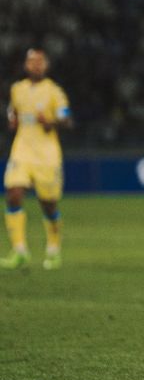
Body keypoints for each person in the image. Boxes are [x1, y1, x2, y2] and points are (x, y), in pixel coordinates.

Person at [1, 48, 72, 271]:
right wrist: (12, 122)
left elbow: (66, 119)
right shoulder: (17, 90)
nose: (36, 65)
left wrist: (51, 122)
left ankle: (53, 249)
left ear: (46, 66)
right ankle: (19, 250)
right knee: (13, 193)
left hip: (47, 155)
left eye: (40, 62)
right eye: (32, 62)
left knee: (48, 204)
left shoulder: (54, 92)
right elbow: (13, 114)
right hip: (22, 150)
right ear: (26, 65)